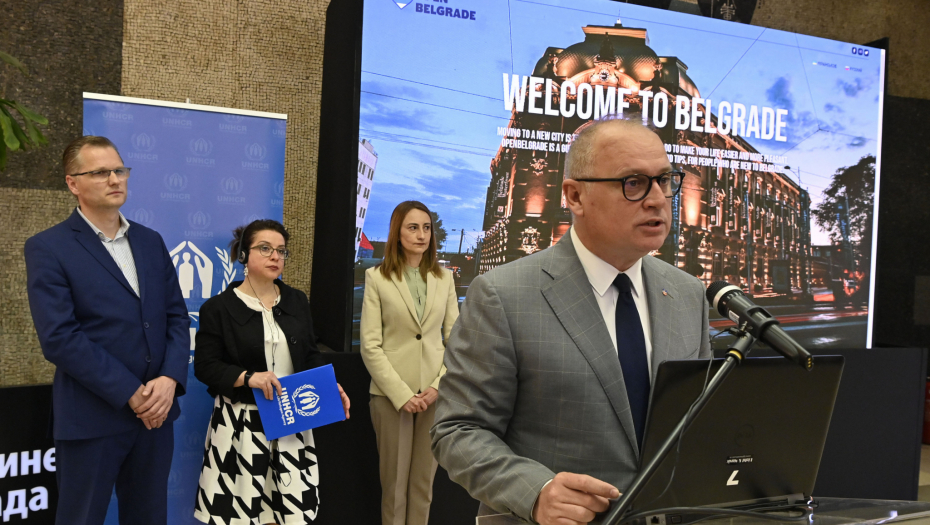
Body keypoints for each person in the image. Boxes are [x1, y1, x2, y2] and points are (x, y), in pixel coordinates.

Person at [431, 120, 712, 525]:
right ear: (575, 195)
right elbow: (457, 430)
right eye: (633, 183)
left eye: (665, 180)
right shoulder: (503, 295)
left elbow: (695, 421)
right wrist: (536, 492)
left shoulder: (687, 294)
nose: (657, 199)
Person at [24, 135, 190, 525]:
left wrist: (169, 379)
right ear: (72, 183)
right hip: (91, 419)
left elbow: (176, 318)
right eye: (100, 172)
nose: (115, 179)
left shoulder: (150, 241)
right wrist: (132, 393)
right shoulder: (48, 247)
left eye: (119, 170)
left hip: (156, 416)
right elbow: (60, 337)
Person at [192, 219, 350, 524]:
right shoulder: (219, 308)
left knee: (288, 512)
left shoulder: (296, 300)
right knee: (243, 512)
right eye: (265, 249)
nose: (275, 256)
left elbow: (309, 355)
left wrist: (330, 387)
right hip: (243, 422)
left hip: (292, 417)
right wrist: (250, 377)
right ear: (243, 256)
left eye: (281, 250)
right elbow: (206, 366)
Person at [361, 201, 460, 525]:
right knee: (394, 488)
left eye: (426, 228)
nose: (421, 235)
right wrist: (402, 395)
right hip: (391, 397)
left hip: (434, 396)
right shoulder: (377, 277)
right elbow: (370, 346)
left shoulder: (444, 278)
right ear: (397, 233)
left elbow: (455, 342)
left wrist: (436, 387)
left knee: (422, 486)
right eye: (413, 227)